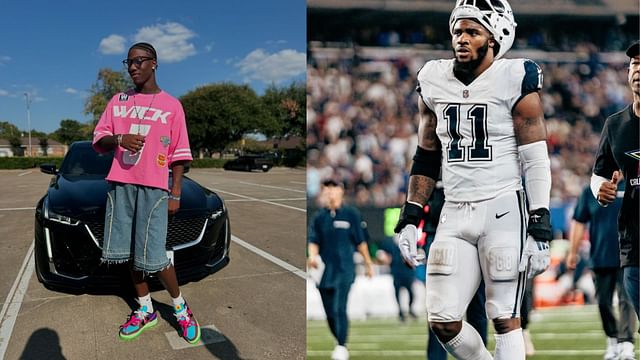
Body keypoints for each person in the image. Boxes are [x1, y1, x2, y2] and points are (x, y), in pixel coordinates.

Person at [394, 0, 553, 358]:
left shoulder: (515, 77)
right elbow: (426, 155)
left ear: (495, 38)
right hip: (453, 208)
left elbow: (535, 157)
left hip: (503, 207)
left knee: (504, 315)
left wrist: (540, 221)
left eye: (472, 31)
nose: (461, 38)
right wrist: (410, 215)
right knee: (442, 320)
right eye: (457, 31)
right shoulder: (433, 78)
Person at [92, 42, 199, 344]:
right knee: (127, 252)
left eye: (140, 60)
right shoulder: (118, 101)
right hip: (121, 184)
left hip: (154, 187)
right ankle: (146, 309)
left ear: (155, 63)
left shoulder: (171, 105)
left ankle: (180, 308)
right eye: (129, 61)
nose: (133, 67)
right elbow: (99, 138)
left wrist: (175, 191)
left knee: (153, 254)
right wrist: (120, 138)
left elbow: (179, 155)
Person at [591, 40, 640, 319]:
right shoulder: (615, 125)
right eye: (635, 63)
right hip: (635, 245)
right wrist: (601, 189)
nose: (638, 69)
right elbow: (597, 175)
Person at [567, 183, 636, 360]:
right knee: (603, 303)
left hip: (629, 255)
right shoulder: (590, 189)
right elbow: (579, 221)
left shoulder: (632, 184)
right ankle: (613, 340)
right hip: (600, 256)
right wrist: (573, 252)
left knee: (626, 300)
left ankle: (627, 344)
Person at [308, 179, 374, 360]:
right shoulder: (319, 217)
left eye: (333, 187)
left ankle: (341, 346)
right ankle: (339, 340)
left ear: (341, 190)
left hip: (345, 269)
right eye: (326, 188)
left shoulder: (351, 214)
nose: (330, 191)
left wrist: (368, 264)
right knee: (329, 313)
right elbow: (313, 241)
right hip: (325, 272)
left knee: (339, 307)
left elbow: (361, 243)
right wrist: (312, 257)